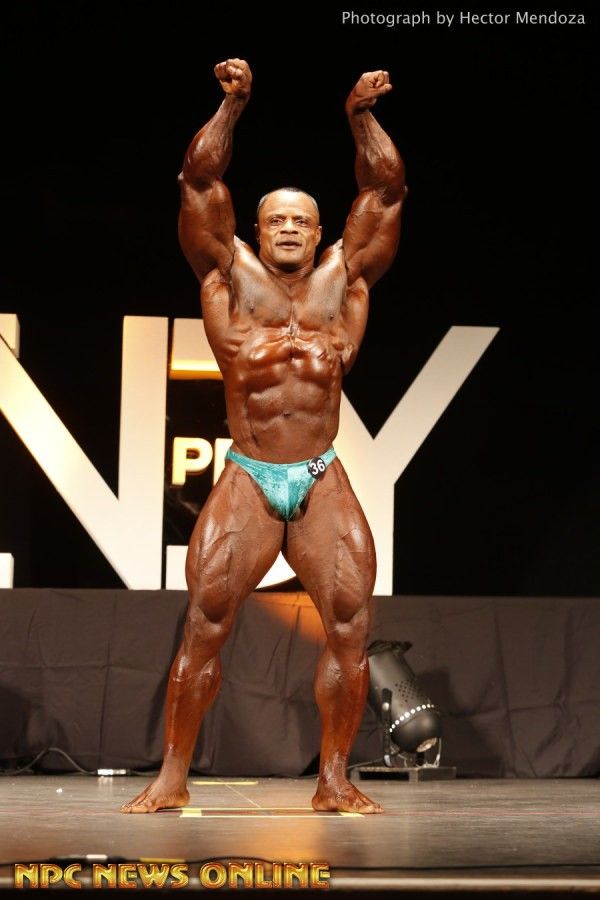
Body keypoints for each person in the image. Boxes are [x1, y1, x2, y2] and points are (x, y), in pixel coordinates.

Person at [122, 58, 406, 815]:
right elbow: (197, 181)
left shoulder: (346, 281)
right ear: (255, 229)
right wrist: (232, 106)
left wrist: (359, 117)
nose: (286, 229)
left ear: (320, 232)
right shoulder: (226, 276)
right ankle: (173, 775)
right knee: (205, 626)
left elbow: (385, 192)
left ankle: (334, 780)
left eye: (300, 221)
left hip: (318, 474)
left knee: (350, 627)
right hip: (250, 474)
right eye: (275, 219)